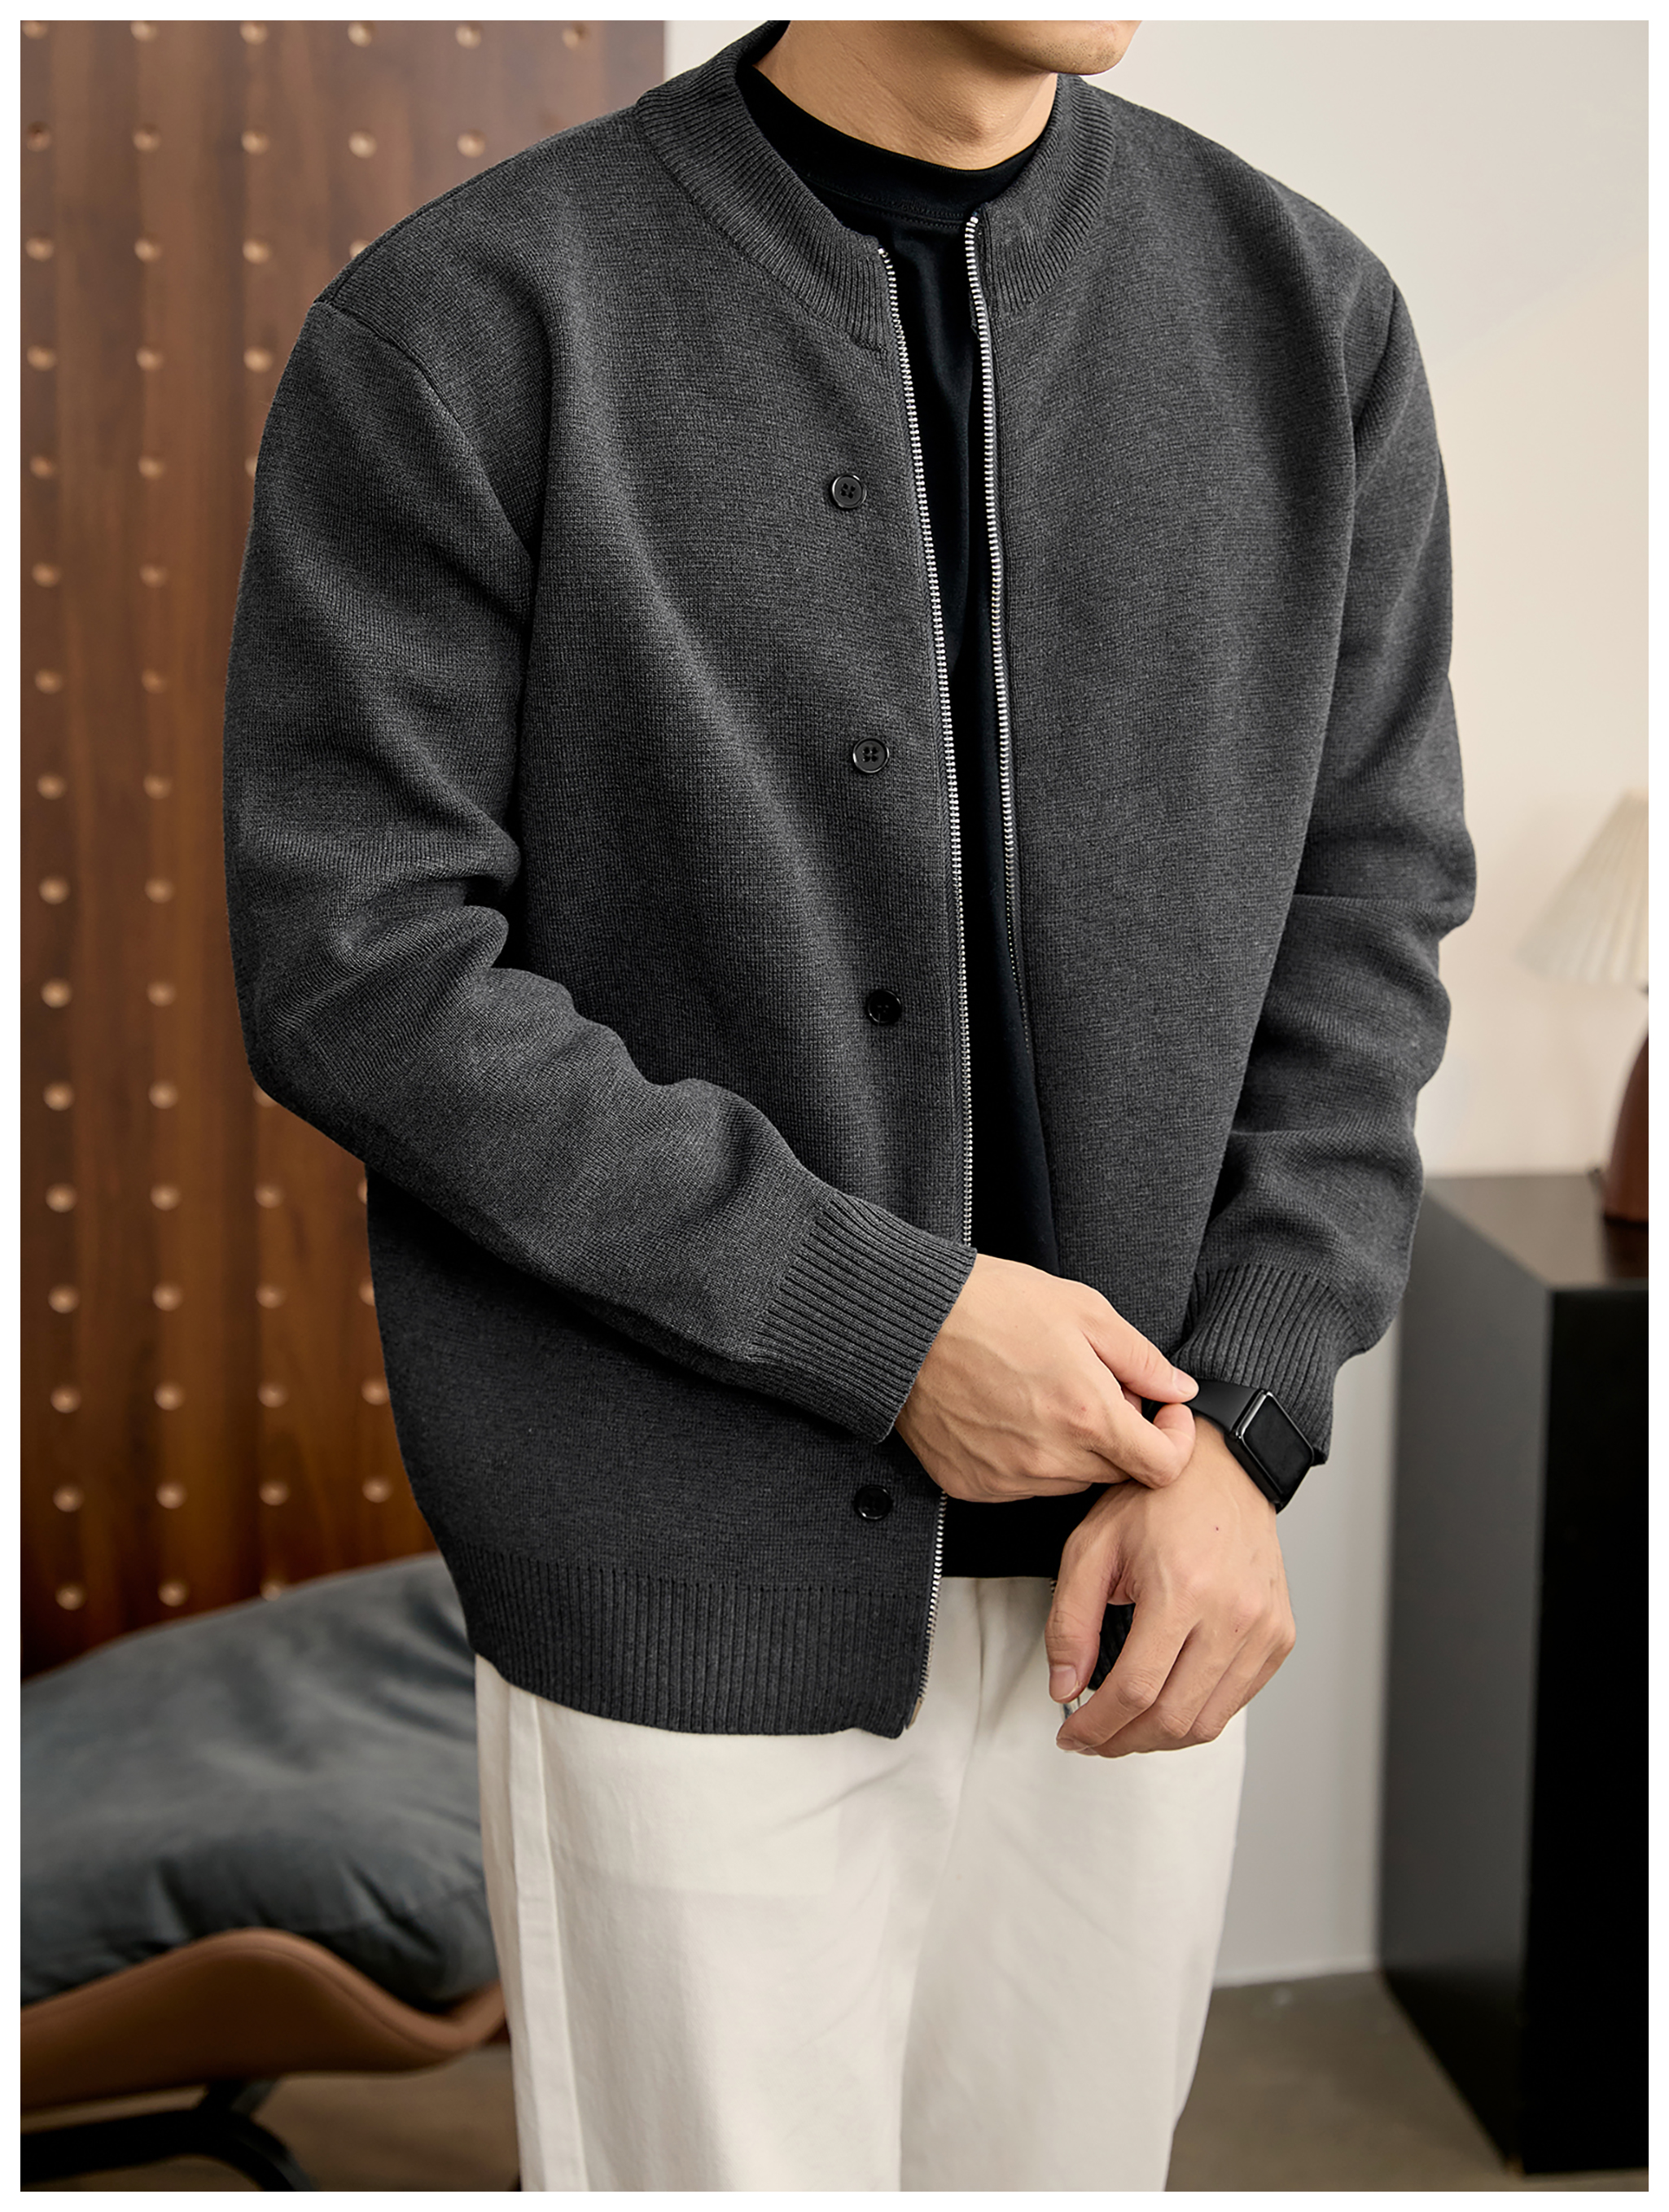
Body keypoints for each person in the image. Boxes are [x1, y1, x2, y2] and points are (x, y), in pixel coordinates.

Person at [221, 17, 1474, 2191]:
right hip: (673, 1574)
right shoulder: (472, 319)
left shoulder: (1308, 313)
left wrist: (1248, 1428)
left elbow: (1363, 916)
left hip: (1141, 1553)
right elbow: (365, 967)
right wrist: (888, 1325)